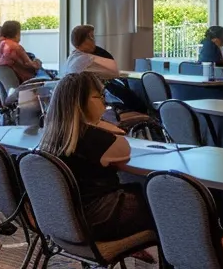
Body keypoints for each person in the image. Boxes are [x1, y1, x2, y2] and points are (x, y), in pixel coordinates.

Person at [38, 73, 156, 254]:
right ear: (79, 102)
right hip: (99, 218)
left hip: (67, 221)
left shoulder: (52, 137)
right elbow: (124, 148)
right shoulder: (96, 140)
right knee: (166, 203)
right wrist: (102, 124)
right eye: (98, 96)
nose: (104, 102)